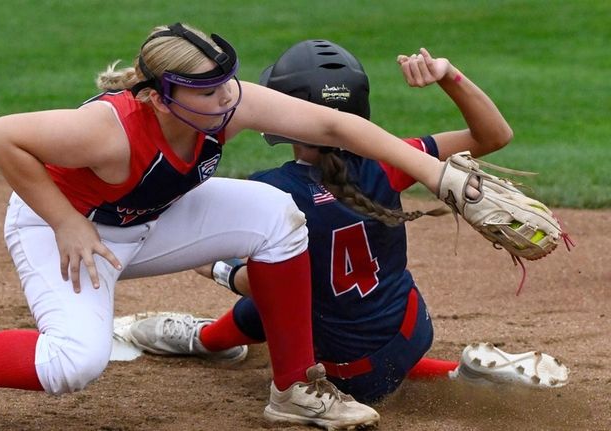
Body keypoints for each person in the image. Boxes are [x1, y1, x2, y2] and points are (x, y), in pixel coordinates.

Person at [0, 23, 546, 431]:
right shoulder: (104, 131)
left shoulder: (226, 105)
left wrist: (435, 174)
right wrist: (66, 222)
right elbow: (1, 135)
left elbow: (338, 126)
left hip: (151, 218)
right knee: (75, 361)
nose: (228, 98)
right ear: (163, 96)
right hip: (68, 231)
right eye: (209, 90)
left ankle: (292, 389)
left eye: (229, 83)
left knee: (279, 219)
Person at [126, 40, 570, 404]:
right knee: (332, 302)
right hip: (413, 331)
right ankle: (453, 373)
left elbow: (261, 286)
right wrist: (448, 75)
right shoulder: (389, 160)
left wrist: (221, 270)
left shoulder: (273, 192)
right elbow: (496, 136)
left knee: (274, 292)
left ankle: (205, 339)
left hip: (349, 377)